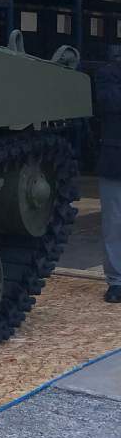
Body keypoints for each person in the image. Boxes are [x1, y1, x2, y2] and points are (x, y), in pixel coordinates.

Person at [95, 44, 121, 302]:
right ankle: (117, 281)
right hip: (116, 160)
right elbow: (109, 102)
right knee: (114, 224)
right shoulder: (108, 74)